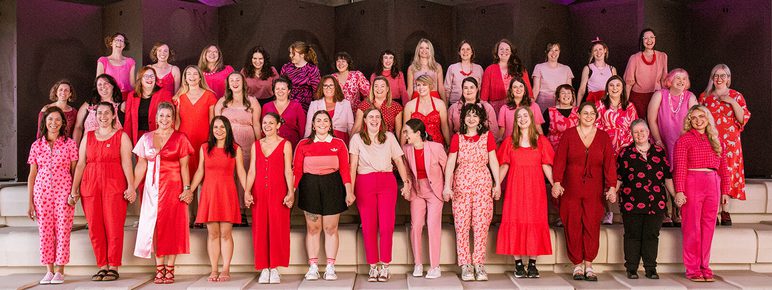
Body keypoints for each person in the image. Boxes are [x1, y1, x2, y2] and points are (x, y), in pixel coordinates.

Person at [552, 102, 616, 282]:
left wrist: (611, 186)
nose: (588, 116)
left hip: (594, 189)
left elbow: (609, 163)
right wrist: (556, 182)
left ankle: (589, 265)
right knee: (572, 224)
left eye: (592, 114)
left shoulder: (603, 137)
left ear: (596, 117)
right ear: (578, 115)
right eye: (585, 113)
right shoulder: (569, 135)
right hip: (570, 188)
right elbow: (560, 160)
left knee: (591, 225)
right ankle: (577, 265)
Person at [71, 102, 135, 282]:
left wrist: (131, 186)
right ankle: (102, 265)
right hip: (90, 185)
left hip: (114, 185)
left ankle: (113, 265)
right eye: (99, 113)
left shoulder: (122, 136)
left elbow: (127, 163)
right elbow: (81, 164)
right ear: (95, 115)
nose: (103, 116)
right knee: (95, 227)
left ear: (114, 115)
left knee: (114, 226)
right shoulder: (88, 136)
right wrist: (74, 189)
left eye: (107, 113)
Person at [132, 102, 194, 284]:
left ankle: (170, 267)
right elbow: (141, 165)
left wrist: (187, 189)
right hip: (152, 189)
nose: (164, 119)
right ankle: (159, 267)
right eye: (161, 116)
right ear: (156, 118)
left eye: (168, 116)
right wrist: (132, 187)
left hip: (174, 188)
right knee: (155, 225)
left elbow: (185, 167)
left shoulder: (180, 138)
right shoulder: (146, 138)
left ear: (173, 118)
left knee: (172, 225)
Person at [349, 108, 410, 282]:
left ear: (381, 120)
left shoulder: (389, 137)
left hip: (386, 182)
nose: (374, 120)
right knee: (368, 226)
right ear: (365, 120)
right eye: (371, 117)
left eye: (377, 117)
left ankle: (385, 265)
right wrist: (350, 191)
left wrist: (406, 183)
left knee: (386, 226)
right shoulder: (357, 139)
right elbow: (352, 165)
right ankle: (373, 266)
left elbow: (398, 160)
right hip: (364, 182)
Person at [294, 110, 355, 281]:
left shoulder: (339, 143)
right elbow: (297, 171)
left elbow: (345, 170)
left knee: (330, 228)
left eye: (325, 120)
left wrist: (349, 191)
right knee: (313, 228)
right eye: (318, 120)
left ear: (330, 125)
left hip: (332, 185)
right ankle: (313, 267)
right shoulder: (303, 144)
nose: (322, 123)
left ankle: (330, 267)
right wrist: (291, 191)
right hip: (310, 186)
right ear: (313, 125)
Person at [444, 104, 501, 281]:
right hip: (461, 183)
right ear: (463, 119)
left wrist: (497, 183)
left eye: (475, 116)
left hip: (483, 184)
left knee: (481, 224)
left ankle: (479, 263)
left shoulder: (487, 137)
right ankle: (465, 264)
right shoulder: (457, 138)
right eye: (468, 115)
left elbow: (493, 160)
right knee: (461, 225)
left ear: (481, 119)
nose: (471, 119)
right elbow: (450, 163)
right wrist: (447, 186)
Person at [673, 105, 730, 282]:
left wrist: (725, 190)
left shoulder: (716, 140)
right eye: (694, 117)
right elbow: (680, 167)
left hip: (713, 183)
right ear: (689, 121)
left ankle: (705, 266)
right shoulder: (684, 140)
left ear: (707, 118)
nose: (698, 120)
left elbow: (724, 167)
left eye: (702, 116)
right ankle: (693, 268)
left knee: (708, 227)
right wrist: (679, 191)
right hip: (693, 181)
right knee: (692, 227)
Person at [497, 106, 554, 279]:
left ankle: (533, 264)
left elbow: (546, 166)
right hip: (515, 189)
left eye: (525, 116)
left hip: (535, 189)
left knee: (535, 221)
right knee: (515, 220)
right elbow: (504, 166)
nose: (522, 119)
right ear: (515, 121)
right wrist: (496, 185)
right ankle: (519, 264)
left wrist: (555, 184)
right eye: (519, 117)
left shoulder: (541, 141)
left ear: (531, 118)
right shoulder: (509, 142)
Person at [188, 116, 246, 282]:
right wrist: (190, 190)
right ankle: (214, 269)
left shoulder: (235, 149)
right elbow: (200, 171)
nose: (219, 130)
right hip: (209, 193)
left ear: (228, 129)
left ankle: (226, 269)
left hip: (227, 193)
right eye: (215, 127)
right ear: (211, 130)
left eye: (222, 127)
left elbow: (241, 172)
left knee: (226, 234)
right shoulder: (205, 148)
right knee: (212, 234)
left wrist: (248, 191)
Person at [616, 119, 674, 280]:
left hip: (656, 203)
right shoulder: (625, 153)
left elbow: (667, 177)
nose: (639, 134)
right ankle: (631, 268)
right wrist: (613, 191)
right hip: (631, 202)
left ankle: (650, 268)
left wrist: (676, 195)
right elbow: (619, 177)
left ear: (648, 133)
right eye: (636, 132)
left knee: (651, 236)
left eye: (642, 131)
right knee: (632, 235)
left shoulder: (659, 152)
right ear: (631, 134)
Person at [27, 107, 79, 285]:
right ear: (45, 122)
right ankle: (49, 271)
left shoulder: (70, 144)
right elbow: (32, 175)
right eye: (50, 119)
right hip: (41, 194)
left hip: (63, 193)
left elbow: (74, 171)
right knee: (45, 231)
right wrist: (30, 202)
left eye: (58, 119)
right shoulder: (36, 145)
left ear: (63, 123)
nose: (54, 123)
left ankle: (60, 271)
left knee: (63, 231)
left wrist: (74, 192)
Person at [699, 64, 750, 225]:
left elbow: (742, 119)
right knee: (713, 175)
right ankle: (712, 211)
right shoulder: (705, 96)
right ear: (712, 78)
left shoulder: (736, 96)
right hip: (711, 141)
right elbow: (698, 119)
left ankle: (725, 210)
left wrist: (731, 102)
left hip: (731, 144)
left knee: (728, 175)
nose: (719, 79)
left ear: (728, 78)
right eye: (716, 75)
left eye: (723, 76)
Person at [245, 112, 294, 284]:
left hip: (278, 191)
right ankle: (264, 268)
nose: (267, 126)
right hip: (259, 191)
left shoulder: (285, 144)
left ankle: (274, 268)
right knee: (260, 229)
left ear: (278, 125)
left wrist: (290, 192)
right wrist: (247, 191)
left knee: (278, 228)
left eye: (271, 123)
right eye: (264, 123)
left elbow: (288, 170)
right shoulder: (256, 145)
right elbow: (252, 170)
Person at [647, 68, 698, 227]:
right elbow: (651, 119)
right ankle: (664, 210)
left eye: (684, 78)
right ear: (670, 80)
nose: (681, 81)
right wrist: (658, 140)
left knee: (679, 175)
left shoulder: (690, 97)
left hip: (683, 144)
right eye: (677, 78)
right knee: (661, 175)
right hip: (662, 141)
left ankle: (678, 209)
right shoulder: (660, 95)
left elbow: (697, 120)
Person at [402, 119, 447, 279]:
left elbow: (447, 168)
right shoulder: (406, 149)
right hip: (417, 190)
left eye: (407, 132)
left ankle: (435, 266)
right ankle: (418, 264)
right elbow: (407, 172)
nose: (405, 135)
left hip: (435, 191)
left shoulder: (436, 147)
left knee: (433, 225)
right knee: (416, 226)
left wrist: (448, 187)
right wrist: (407, 186)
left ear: (418, 133)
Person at [215, 72, 261, 216]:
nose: (235, 83)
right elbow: (216, 124)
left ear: (243, 83)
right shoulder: (222, 102)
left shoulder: (252, 101)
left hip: (247, 142)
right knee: (228, 175)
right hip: (226, 142)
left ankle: (242, 211)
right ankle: (229, 209)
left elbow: (256, 125)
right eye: (232, 80)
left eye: (238, 80)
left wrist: (259, 145)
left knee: (244, 173)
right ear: (228, 84)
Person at [596, 76, 638, 225]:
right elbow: (595, 125)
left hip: (625, 147)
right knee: (606, 179)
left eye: (618, 85)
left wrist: (629, 147)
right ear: (607, 89)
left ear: (622, 89)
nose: (614, 88)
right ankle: (608, 211)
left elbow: (634, 126)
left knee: (626, 179)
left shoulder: (630, 106)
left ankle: (626, 210)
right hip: (605, 146)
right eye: (611, 85)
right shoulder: (600, 105)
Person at [175, 65, 217, 187]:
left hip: (203, 140)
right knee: (186, 175)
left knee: (203, 175)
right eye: (188, 74)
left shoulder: (209, 96)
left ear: (200, 77)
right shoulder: (179, 97)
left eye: (195, 74)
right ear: (185, 78)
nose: (192, 76)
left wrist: (212, 140)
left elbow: (212, 121)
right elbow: (177, 122)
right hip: (185, 141)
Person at [624, 28, 668, 119]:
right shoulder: (634, 58)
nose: (649, 40)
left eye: (652, 37)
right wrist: (625, 103)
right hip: (638, 98)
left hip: (656, 96)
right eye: (646, 38)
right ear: (642, 40)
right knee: (640, 123)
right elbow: (628, 84)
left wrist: (666, 100)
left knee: (655, 122)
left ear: (655, 39)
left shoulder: (662, 56)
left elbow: (664, 80)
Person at [124, 66, 173, 145]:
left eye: (152, 76)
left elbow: (170, 118)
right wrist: (127, 141)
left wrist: (169, 138)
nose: (149, 78)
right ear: (140, 79)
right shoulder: (132, 96)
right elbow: (128, 121)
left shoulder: (165, 94)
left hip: (159, 136)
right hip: (138, 138)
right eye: (146, 76)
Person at [481, 39, 533, 114]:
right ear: (497, 52)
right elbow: (483, 98)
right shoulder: (489, 70)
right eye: (501, 49)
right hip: (496, 110)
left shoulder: (520, 69)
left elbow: (529, 94)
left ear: (511, 52)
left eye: (507, 49)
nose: (504, 51)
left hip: (518, 107)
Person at [74, 74, 123, 145]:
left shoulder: (121, 106)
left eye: (106, 83)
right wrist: (76, 147)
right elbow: (78, 127)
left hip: (112, 147)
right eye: (99, 84)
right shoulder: (89, 104)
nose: (103, 86)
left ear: (113, 86)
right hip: (89, 146)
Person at [304, 75, 354, 144]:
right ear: (321, 88)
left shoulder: (346, 104)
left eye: (331, 85)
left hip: (342, 140)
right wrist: (306, 144)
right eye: (325, 85)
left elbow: (351, 128)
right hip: (320, 141)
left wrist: (353, 145)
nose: (328, 88)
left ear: (336, 87)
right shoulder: (314, 104)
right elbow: (309, 128)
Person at [403, 75, 450, 146]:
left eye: (424, 85)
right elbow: (405, 128)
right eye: (418, 85)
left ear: (430, 86)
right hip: (416, 144)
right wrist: (401, 148)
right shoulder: (410, 105)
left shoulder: (440, 104)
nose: (421, 88)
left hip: (436, 144)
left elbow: (444, 127)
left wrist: (449, 145)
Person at [262, 77, 306, 149]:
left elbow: (302, 128)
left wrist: (301, 146)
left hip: (292, 144)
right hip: (271, 145)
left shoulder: (297, 106)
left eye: (283, 89)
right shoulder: (266, 106)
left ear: (288, 91)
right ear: (274, 90)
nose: (280, 91)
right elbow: (263, 128)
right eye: (277, 89)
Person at [532, 42, 574, 113]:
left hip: (562, 104)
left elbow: (570, 90)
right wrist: (530, 106)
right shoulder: (539, 67)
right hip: (543, 104)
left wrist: (574, 106)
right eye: (551, 50)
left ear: (559, 52)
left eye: (556, 50)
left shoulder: (566, 69)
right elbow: (536, 89)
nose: (553, 53)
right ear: (546, 52)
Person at [281, 41, 321, 111]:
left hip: (305, 106)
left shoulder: (312, 69)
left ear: (302, 55)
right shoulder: (286, 67)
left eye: (293, 53)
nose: (290, 55)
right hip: (287, 104)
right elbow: (281, 86)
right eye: (290, 53)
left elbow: (317, 91)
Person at [96, 32, 136, 99]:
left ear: (124, 45)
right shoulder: (103, 60)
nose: (119, 42)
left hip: (126, 97)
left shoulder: (130, 62)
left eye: (121, 41)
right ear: (111, 43)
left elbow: (132, 84)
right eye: (116, 40)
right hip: (108, 97)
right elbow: (98, 82)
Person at [577, 39, 617, 105]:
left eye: (600, 49)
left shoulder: (612, 69)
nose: (598, 52)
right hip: (593, 102)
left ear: (605, 50)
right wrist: (577, 106)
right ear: (592, 53)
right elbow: (582, 89)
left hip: (608, 102)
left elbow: (615, 89)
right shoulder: (588, 68)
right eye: (595, 50)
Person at [444, 40, 484, 105]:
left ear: (472, 52)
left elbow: (481, 89)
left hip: (474, 105)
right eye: (462, 49)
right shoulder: (452, 68)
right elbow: (446, 90)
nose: (465, 51)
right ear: (459, 52)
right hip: (455, 104)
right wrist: (445, 106)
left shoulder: (479, 68)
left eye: (468, 49)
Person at [543, 84, 579, 150]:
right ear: (558, 97)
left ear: (572, 96)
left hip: (574, 148)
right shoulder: (549, 111)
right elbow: (543, 132)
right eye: (563, 93)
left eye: (569, 93)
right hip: (553, 149)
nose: (566, 95)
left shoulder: (578, 111)